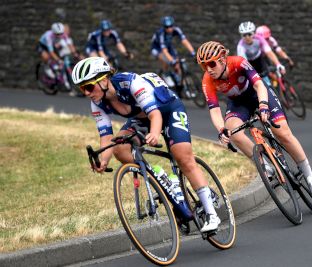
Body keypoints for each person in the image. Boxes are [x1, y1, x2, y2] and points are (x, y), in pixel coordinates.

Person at [71, 57, 220, 232]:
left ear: (104, 80)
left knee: (183, 157)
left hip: (168, 110)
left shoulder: (130, 82)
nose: (87, 92)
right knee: (119, 146)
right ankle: (160, 176)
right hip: (141, 118)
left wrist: (155, 134)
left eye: (89, 86)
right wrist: (103, 161)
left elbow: (155, 115)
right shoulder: (97, 103)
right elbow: (106, 137)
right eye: (82, 88)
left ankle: (212, 215)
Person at [196, 41, 312, 194]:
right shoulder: (207, 80)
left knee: (283, 133)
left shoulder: (239, 63)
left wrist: (263, 105)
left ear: (223, 60)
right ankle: (264, 165)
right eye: (204, 66)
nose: (208, 69)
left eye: (211, 64)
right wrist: (222, 130)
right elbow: (214, 110)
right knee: (233, 132)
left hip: (259, 94)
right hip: (238, 103)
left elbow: (259, 85)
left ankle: (310, 176)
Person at [151, 16, 196, 96]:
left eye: (171, 26)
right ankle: (165, 74)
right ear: (164, 27)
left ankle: (183, 86)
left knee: (178, 65)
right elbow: (164, 51)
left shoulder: (176, 30)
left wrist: (193, 52)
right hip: (157, 48)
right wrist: (172, 61)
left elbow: (184, 41)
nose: (169, 29)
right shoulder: (161, 33)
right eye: (167, 27)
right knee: (166, 60)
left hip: (168, 46)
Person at [237, 21, 286, 87]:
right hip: (249, 63)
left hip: (259, 60)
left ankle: (270, 88)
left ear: (253, 33)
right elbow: (243, 62)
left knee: (267, 82)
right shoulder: (240, 46)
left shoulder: (259, 39)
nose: (247, 37)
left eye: (249, 34)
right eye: (244, 35)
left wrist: (278, 64)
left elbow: (269, 52)